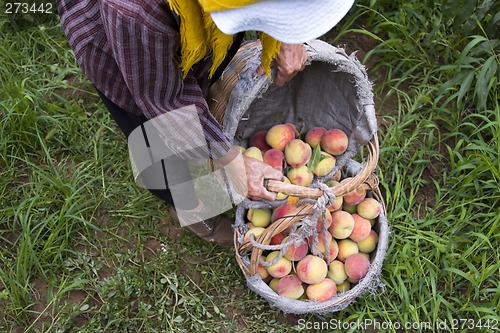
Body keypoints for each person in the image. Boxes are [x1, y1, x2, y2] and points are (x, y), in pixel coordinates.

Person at [56, 0, 354, 245]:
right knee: (152, 129)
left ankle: (200, 98)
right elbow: (164, 104)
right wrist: (231, 159)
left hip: (186, 25)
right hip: (124, 48)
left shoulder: (218, 9)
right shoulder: (132, 11)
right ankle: (187, 205)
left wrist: (287, 34)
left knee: (201, 75)